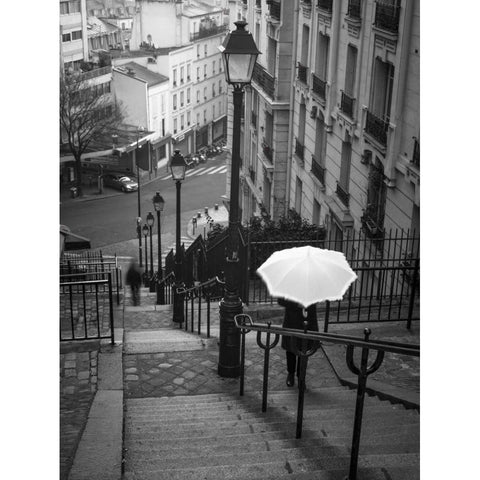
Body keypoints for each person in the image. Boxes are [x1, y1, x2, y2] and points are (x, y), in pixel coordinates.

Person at [278, 298, 319, 388]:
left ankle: (301, 377)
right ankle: (291, 373)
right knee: (291, 348)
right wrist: (297, 304)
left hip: (308, 320)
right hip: (292, 320)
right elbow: (280, 300)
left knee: (305, 348)